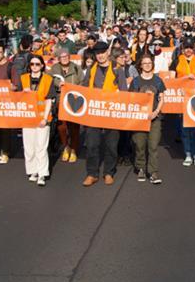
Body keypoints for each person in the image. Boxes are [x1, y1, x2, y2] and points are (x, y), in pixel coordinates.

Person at [82, 41, 128, 187]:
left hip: (111, 113)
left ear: (108, 52)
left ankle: (109, 172)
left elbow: (124, 91)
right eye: (97, 53)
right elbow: (83, 87)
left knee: (111, 144)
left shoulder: (117, 69)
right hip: (94, 111)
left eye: (102, 52)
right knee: (92, 144)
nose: (100, 56)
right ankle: (92, 173)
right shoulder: (91, 69)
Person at [20, 55, 56, 187]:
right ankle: (32, 171)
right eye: (32, 64)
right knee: (29, 147)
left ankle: (42, 174)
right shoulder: (23, 79)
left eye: (37, 64)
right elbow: (17, 97)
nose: (34, 67)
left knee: (41, 147)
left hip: (42, 118)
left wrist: (45, 118)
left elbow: (49, 99)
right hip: (28, 117)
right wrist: (23, 93)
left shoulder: (47, 79)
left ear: (42, 65)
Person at [129, 54, 166, 184]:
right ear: (140, 65)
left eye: (149, 63)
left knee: (153, 145)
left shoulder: (158, 81)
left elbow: (162, 98)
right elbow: (131, 100)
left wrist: (156, 112)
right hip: (140, 119)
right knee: (140, 145)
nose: (147, 65)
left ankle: (153, 171)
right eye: (144, 63)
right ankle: (140, 168)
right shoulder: (136, 82)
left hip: (155, 118)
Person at [172, 39, 195, 169]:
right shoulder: (177, 61)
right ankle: (188, 154)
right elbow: (171, 78)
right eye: (186, 47)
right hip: (181, 97)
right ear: (183, 48)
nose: (188, 50)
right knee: (185, 129)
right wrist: (183, 79)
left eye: (191, 47)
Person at [49, 47, 84, 163]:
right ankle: (65, 146)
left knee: (74, 127)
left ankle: (74, 148)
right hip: (60, 100)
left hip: (74, 100)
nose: (64, 59)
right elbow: (49, 80)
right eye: (62, 57)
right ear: (59, 58)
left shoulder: (76, 67)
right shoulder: (54, 68)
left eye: (66, 56)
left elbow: (82, 82)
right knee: (62, 126)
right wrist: (58, 83)